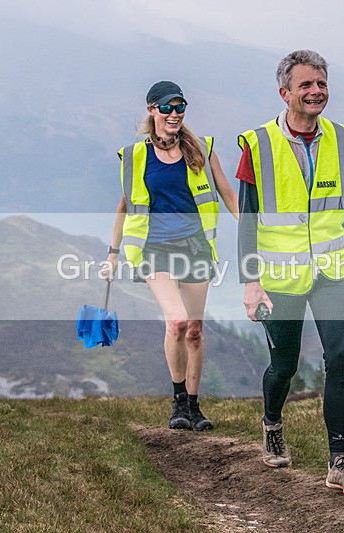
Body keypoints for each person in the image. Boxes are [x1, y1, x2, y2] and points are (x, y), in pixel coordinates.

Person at [236, 50, 344, 496]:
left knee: (340, 355)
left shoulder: (343, 138)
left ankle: (339, 460)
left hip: (332, 273)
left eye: (322, 84)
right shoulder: (257, 144)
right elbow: (248, 219)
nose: (316, 92)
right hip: (279, 278)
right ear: (285, 93)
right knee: (284, 365)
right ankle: (272, 423)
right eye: (306, 85)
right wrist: (250, 281)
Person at [103, 80, 239, 432]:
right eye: (167, 107)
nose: (174, 113)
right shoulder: (134, 156)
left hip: (195, 247)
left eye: (180, 106)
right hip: (154, 250)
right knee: (176, 321)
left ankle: (193, 406)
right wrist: (113, 254)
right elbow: (124, 206)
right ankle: (177, 400)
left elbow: (228, 194)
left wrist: (257, 232)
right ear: (151, 110)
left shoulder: (202, 149)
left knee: (194, 330)